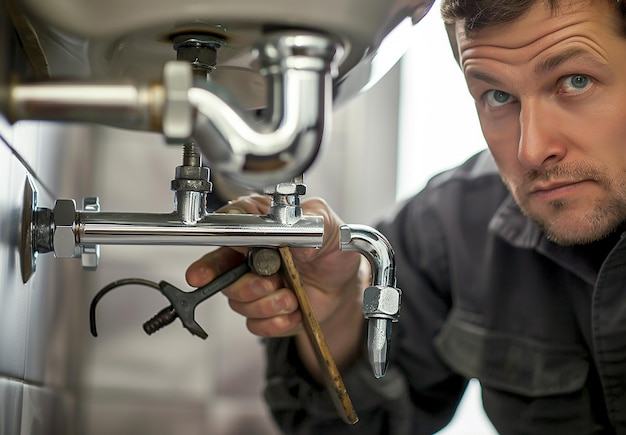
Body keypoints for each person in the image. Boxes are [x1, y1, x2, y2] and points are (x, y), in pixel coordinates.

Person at [186, 0, 626, 433]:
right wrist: (337, 310)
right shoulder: (452, 224)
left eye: (576, 81)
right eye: (497, 95)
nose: (530, 151)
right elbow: (356, 426)